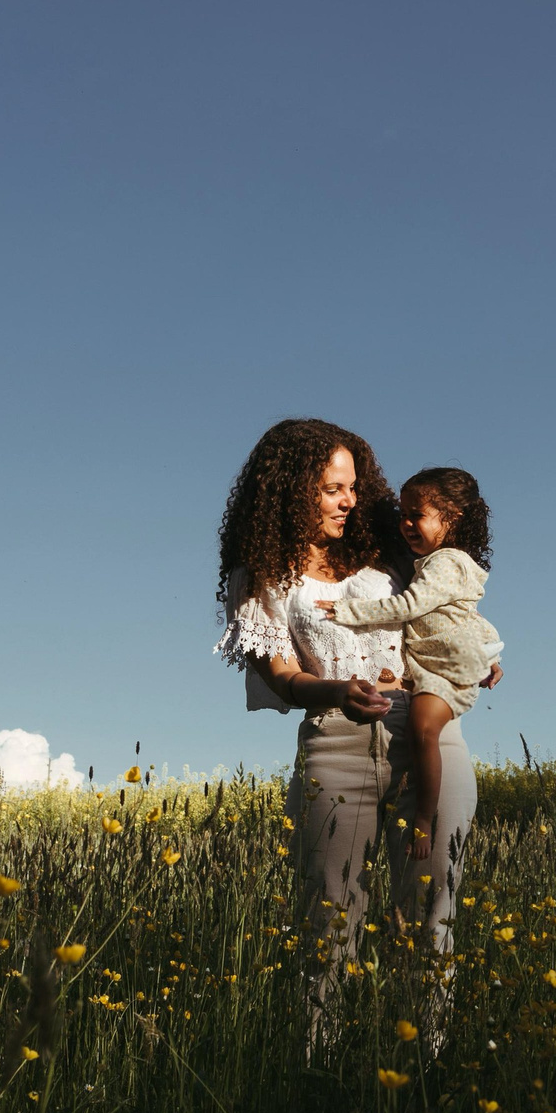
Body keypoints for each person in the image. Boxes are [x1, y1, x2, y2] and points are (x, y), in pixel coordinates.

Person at [214, 420, 498, 1031]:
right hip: (335, 746)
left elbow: (451, 607)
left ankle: (427, 1061)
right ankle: (323, 1070)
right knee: (330, 917)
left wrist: (478, 653)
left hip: (427, 736)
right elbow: (283, 677)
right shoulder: (261, 575)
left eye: (352, 486)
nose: (350, 500)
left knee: (431, 912)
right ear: (290, 491)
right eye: (331, 489)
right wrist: (336, 691)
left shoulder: (389, 554)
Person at [319, 467, 500, 858]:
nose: (405, 524)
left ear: (452, 519)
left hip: (442, 673)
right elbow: (465, 614)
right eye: (402, 514)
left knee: (422, 732)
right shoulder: (434, 562)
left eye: (416, 515)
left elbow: (409, 607)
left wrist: (348, 611)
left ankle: (423, 817)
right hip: (439, 667)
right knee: (423, 732)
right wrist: (491, 654)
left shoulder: (446, 562)